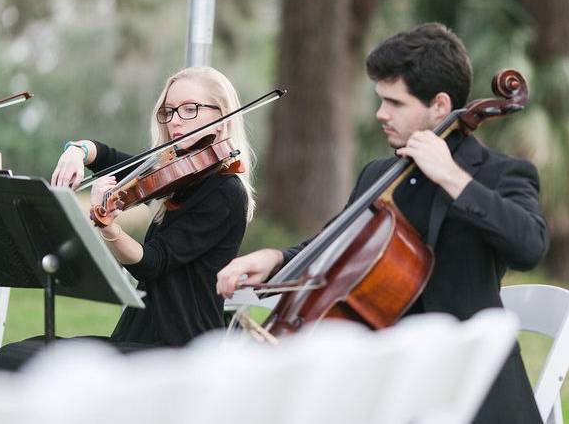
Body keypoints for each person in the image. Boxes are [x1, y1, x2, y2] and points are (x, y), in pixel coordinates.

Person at [216, 23, 549, 424]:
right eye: (380, 100)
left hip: (470, 386)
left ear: (440, 106)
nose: (380, 114)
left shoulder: (501, 174)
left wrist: (451, 178)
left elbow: (530, 245)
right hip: (384, 384)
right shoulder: (379, 175)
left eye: (394, 103)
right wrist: (274, 258)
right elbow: (334, 246)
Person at [0, 66, 255, 370]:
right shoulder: (175, 173)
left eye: (189, 109)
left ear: (220, 117)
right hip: (138, 337)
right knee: (16, 353)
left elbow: (153, 263)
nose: (176, 121)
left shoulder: (225, 192)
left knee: (28, 363)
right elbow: (106, 157)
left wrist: (108, 226)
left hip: (179, 349)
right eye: (168, 112)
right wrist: (76, 151)